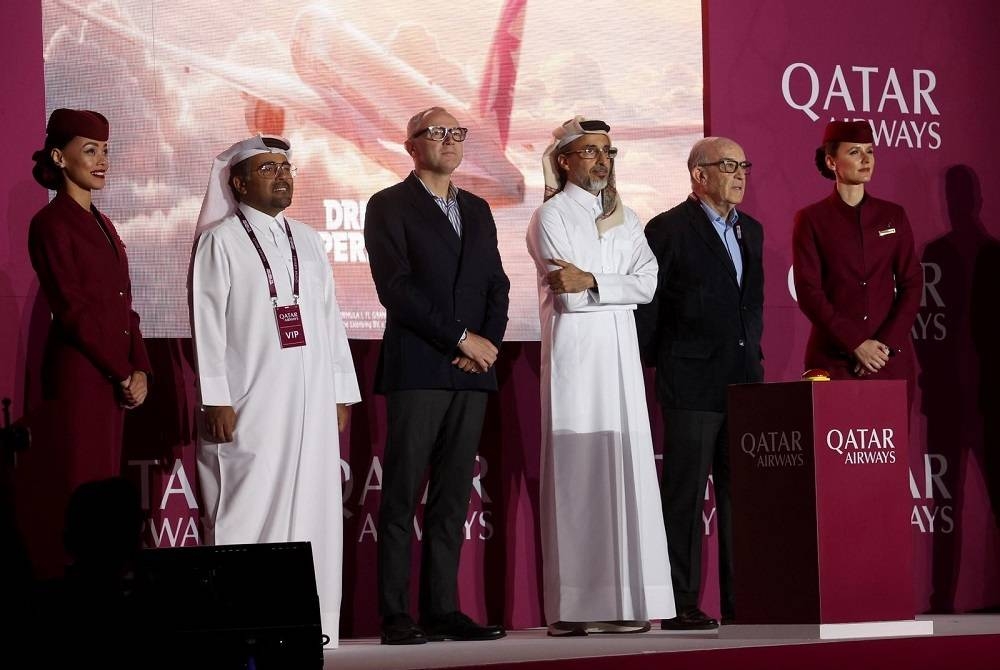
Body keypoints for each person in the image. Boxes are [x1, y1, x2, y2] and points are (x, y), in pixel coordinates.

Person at [190, 135, 361, 647]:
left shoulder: (308, 239)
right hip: (250, 400)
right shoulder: (220, 240)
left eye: (286, 168)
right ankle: (243, 627)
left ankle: (312, 625)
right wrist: (215, 396)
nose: (282, 176)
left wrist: (340, 390)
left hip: (311, 401)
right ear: (239, 183)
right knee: (248, 504)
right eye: (267, 169)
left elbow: (330, 318)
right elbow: (207, 324)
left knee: (315, 509)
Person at [364, 107, 509, 645]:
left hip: (473, 371)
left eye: (456, 133)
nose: (449, 141)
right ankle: (395, 614)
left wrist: (487, 345)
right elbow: (396, 289)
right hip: (420, 367)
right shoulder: (388, 205)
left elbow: (497, 284)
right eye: (436, 133)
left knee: (452, 496)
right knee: (402, 494)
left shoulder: (477, 208)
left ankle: (442, 609)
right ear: (411, 146)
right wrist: (460, 338)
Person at [526, 116, 675, 636]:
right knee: (579, 476)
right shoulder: (550, 215)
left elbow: (648, 284)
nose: (602, 161)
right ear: (565, 160)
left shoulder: (626, 218)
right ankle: (574, 609)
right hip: (576, 360)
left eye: (607, 152)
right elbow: (567, 295)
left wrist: (593, 280)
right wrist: (610, 287)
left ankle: (628, 602)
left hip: (621, 361)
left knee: (625, 472)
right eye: (590, 152)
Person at [635, 137, 764, 629]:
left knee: (742, 497)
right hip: (690, 381)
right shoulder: (668, 228)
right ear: (699, 174)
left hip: (744, 382)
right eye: (728, 165)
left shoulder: (752, 230)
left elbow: (751, 306)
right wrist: (659, 364)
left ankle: (742, 599)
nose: (739, 174)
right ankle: (680, 602)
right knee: (685, 497)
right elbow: (650, 306)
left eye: (743, 164)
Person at [26, 108, 150, 575]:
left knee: (106, 494)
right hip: (81, 376)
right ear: (59, 157)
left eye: (106, 151)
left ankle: (106, 592)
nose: (102, 161)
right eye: (90, 150)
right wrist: (122, 370)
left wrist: (141, 368)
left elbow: (124, 305)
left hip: (112, 377)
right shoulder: (51, 223)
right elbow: (73, 309)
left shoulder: (105, 223)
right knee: (81, 490)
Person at [793, 120, 921, 393]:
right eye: (854, 152)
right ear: (831, 162)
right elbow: (808, 292)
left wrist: (884, 346)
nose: (866, 159)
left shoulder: (893, 215)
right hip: (833, 361)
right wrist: (855, 344)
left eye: (870, 151)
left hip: (888, 360)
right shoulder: (812, 219)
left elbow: (912, 283)